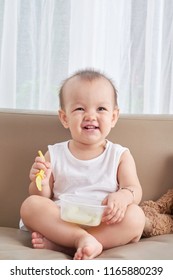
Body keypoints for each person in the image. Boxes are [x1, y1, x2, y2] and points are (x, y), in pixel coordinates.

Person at [20, 69, 145, 260]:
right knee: (31, 205)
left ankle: (71, 245)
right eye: (80, 109)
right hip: (62, 221)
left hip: (104, 221)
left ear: (113, 117)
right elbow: (42, 197)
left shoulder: (120, 155)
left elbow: (134, 188)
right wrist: (41, 183)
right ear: (64, 118)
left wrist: (124, 195)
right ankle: (78, 240)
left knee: (136, 216)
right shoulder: (54, 153)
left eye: (101, 109)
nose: (90, 116)